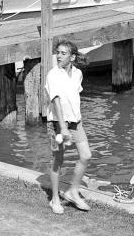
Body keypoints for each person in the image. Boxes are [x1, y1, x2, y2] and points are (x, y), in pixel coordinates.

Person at [46, 38, 92, 214]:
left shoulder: (78, 73)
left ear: (72, 57)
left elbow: (74, 98)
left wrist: (74, 121)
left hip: (75, 122)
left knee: (86, 155)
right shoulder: (53, 74)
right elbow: (56, 101)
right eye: (57, 53)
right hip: (57, 123)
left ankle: (72, 191)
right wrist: (63, 128)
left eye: (63, 53)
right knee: (58, 160)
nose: (58, 56)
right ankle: (55, 199)